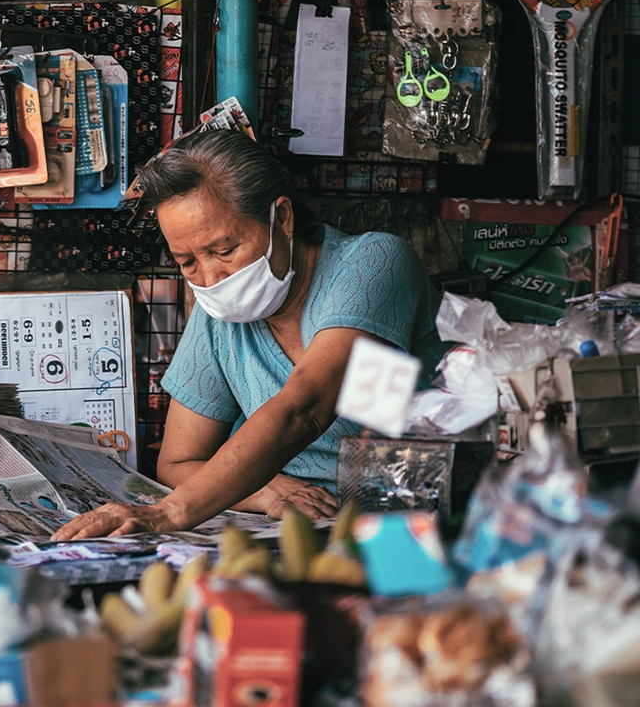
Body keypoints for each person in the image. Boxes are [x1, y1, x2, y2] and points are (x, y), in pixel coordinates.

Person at [52, 128, 449, 540]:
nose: (209, 278)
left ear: (284, 219)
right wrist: (263, 491)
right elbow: (178, 461)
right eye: (187, 262)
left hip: (411, 520)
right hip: (298, 530)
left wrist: (165, 514)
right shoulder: (217, 319)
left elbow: (306, 408)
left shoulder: (374, 263)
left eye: (224, 251)